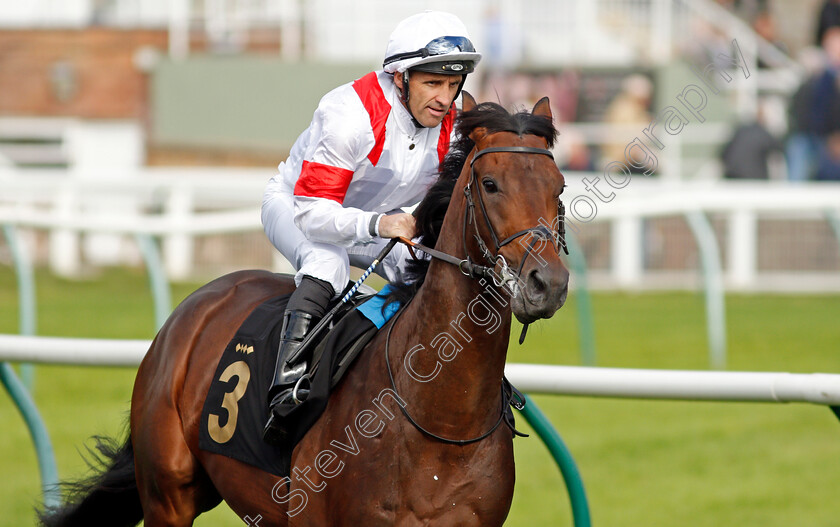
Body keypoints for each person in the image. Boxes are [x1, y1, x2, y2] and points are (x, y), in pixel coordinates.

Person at [260, 11, 481, 443]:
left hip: (373, 222)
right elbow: (313, 215)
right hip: (299, 206)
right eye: (432, 83)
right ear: (400, 78)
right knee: (329, 263)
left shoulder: (450, 124)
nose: (444, 98)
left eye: (453, 86)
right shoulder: (350, 114)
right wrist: (380, 223)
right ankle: (287, 387)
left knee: (426, 270)